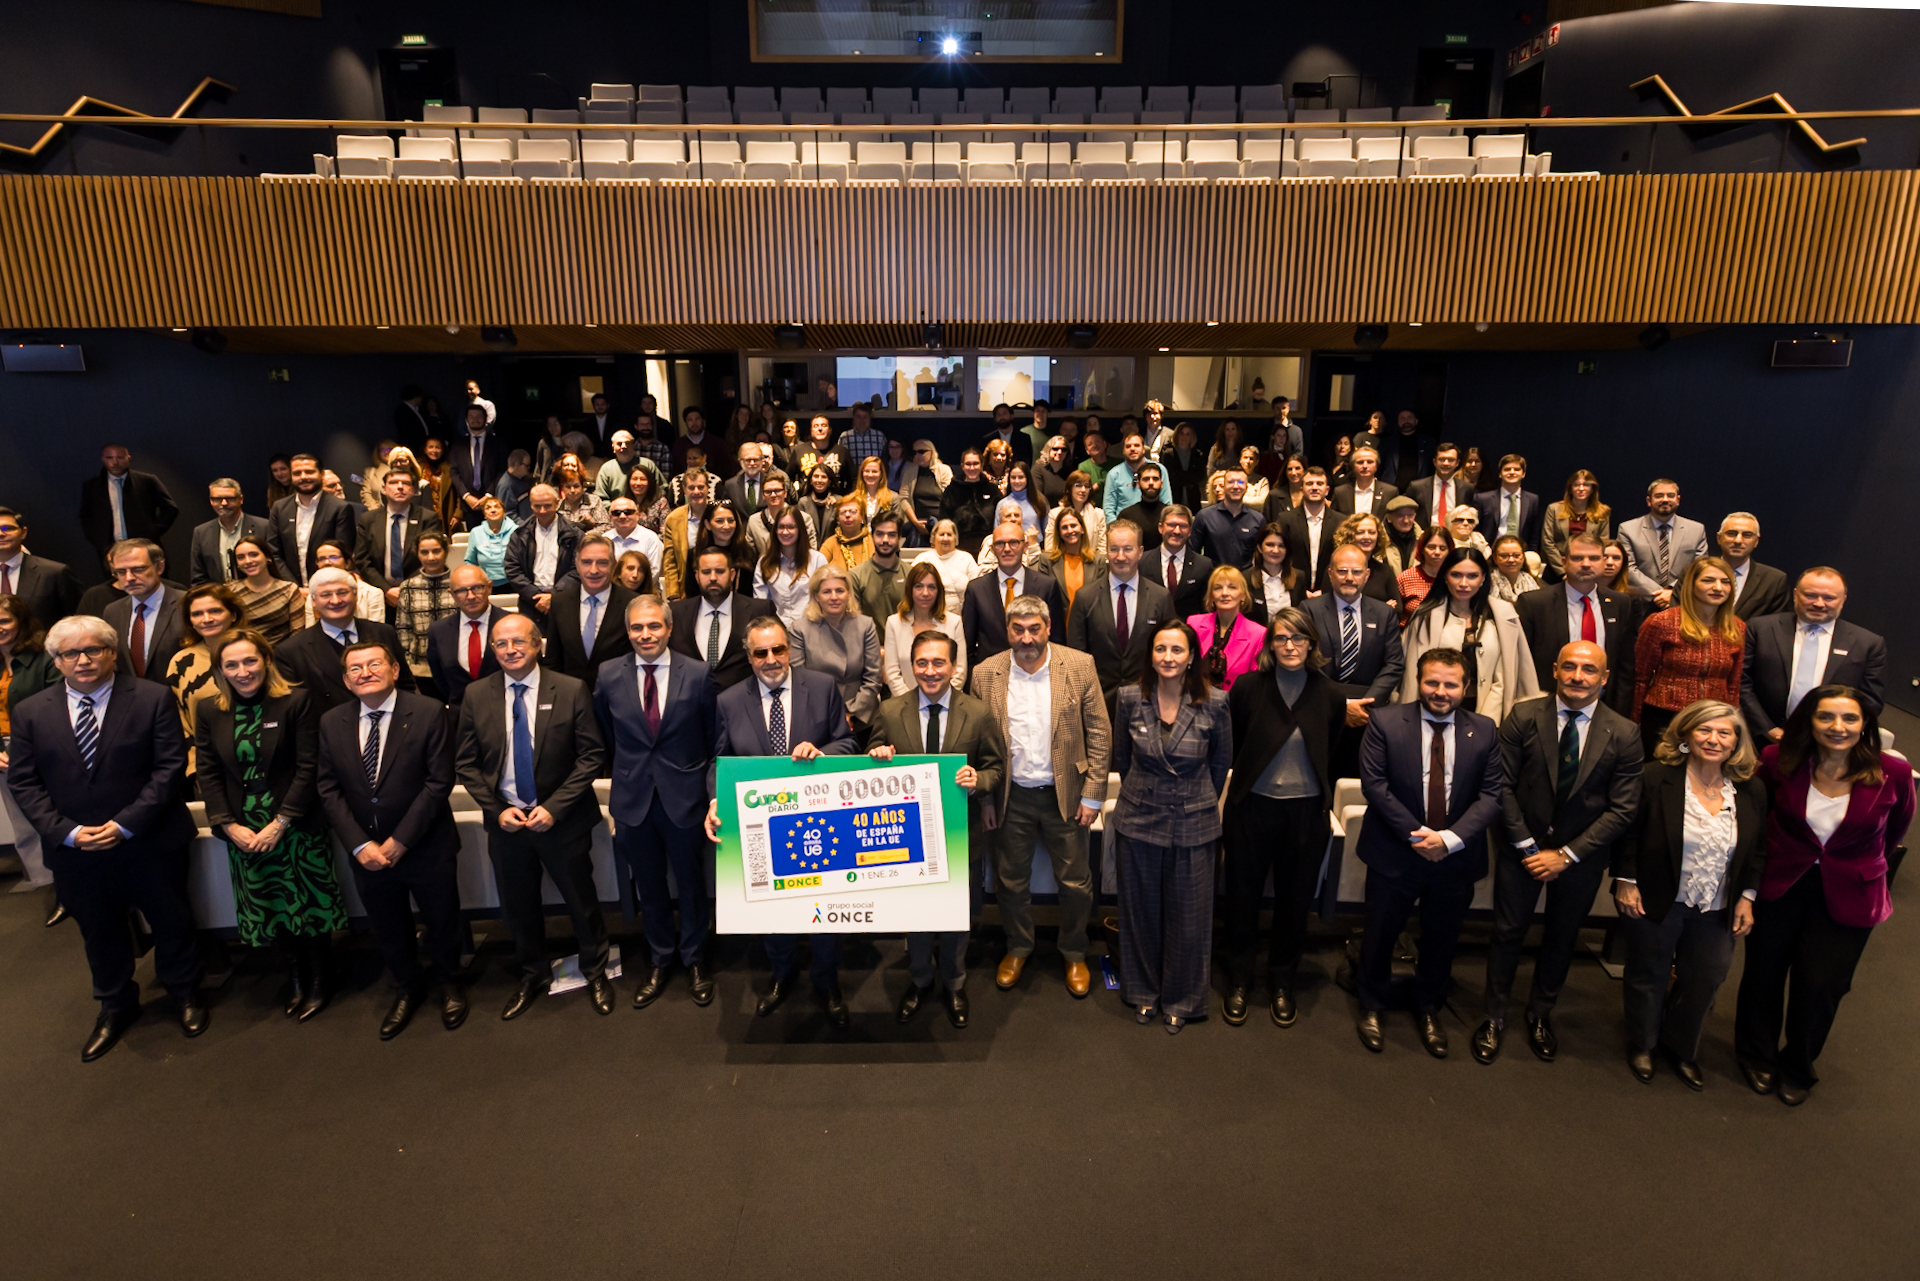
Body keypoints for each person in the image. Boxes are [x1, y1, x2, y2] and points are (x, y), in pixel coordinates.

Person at [6, 615, 204, 1060]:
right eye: (70, 653)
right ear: (56, 661)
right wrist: (69, 833)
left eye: (93, 649)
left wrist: (125, 824)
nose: (83, 660)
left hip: (148, 839)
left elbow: (169, 767)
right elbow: (24, 782)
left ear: (112, 653)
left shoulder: (152, 698)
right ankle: (115, 1005)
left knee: (171, 920)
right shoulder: (31, 712)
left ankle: (184, 992)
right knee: (99, 931)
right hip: (77, 851)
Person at [1736, 686, 1914, 1105]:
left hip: (1851, 891)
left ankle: (1798, 1065)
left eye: (1850, 718)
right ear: (1809, 722)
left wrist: (1860, 863)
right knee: (1763, 973)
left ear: (1865, 725)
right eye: (1826, 717)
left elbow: (1896, 830)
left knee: (1821, 985)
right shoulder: (1777, 760)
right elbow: (1758, 815)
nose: (1838, 727)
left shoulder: (1893, 771)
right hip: (1781, 882)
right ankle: (1757, 1054)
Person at [1475, 641, 1644, 1065]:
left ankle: (1540, 1014)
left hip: (1580, 857)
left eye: (1589, 670)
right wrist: (1529, 846)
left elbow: (1623, 809)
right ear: (1555, 670)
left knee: (1562, 937)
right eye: (1569, 667)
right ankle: (1493, 1016)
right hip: (1522, 848)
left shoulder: (1625, 732)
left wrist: (1566, 855)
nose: (1578, 677)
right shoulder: (1524, 716)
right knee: (1507, 932)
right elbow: (1501, 786)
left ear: (1604, 678)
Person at [455, 612, 615, 1021]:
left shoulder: (571, 688)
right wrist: (497, 810)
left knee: (581, 902)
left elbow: (591, 755)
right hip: (507, 823)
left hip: (562, 819)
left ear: (538, 644)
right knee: (519, 907)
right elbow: (466, 763)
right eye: (501, 643)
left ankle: (596, 971)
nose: (510, 650)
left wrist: (554, 807)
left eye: (519, 641)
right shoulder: (476, 694)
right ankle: (532, 974)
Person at [703, 614, 858, 1025]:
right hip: (761, 826)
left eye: (778, 650)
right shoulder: (728, 701)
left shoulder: (822, 687)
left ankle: (826, 981)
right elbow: (720, 761)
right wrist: (716, 799)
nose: (771, 659)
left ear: (790, 650)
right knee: (773, 911)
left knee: (824, 910)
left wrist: (823, 754)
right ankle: (781, 974)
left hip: (819, 822)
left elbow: (847, 742)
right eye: (761, 653)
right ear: (748, 657)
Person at [1353, 648, 1504, 1057]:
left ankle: (1428, 1006)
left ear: (1465, 688)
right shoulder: (1385, 721)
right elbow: (1374, 785)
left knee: (1441, 939)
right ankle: (1372, 1003)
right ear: (1418, 682)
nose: (1440, 691)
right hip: (1395, 851)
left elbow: (1492, 795)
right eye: (1432, 682)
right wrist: (1419, 836)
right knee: (1380, 934)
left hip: (1455, 857)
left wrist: (1449, 840)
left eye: (1450, 684)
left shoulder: (1485, 730)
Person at [1612, 699, 1768, 1088]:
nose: (1714, 739)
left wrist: (1747, 896)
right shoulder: (1654, 777)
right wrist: (1626, 881)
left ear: (1736, 741)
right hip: (1656, 897)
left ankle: (1680, 1047)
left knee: (1706, 977)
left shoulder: (1751, 790)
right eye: (1704, 729)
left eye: (1724, 732)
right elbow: (1628, 833)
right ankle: (1643, 1044)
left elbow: (1758, 849)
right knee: (1648, 972)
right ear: (1686, 734)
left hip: (1718, 905)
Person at [316, 638, 462, 1038]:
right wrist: (359, 844)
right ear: (346, 680)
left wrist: (401, 840)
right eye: (355, 669)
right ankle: (405, 988)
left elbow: (439, 781)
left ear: (395, 670)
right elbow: (327, 788)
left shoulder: (429, 712)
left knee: (442, 920)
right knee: (388, 926)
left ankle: (450, 984)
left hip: (425, 844)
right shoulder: (331, 722)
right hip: (367, 852)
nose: (365, 673)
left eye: (374, 664)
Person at [196, 629, 343, 1021]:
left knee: (307, 905)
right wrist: (227, 824)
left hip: (294, 821)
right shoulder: (209, 710)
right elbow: (208, 772)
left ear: (266, 660)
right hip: (243, 827)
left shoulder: (296, 700)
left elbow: (309, 766)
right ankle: (294, 976)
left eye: (250, 660)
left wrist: (281, 822)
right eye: (231, 664)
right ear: (220, 669)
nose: (243, 671)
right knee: (270, 906)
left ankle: (320, 979)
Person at [971, 595, 1111, 999]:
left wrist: (1093, 795)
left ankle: (1074, 951)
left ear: (1048, 628)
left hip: (1065, 795)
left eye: (1035, 629)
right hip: (1010, 796)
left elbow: (1099, 732)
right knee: (1010, 881)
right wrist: (985, 800)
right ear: (1007, 630)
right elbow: (979, 744)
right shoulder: (986, 673)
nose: (1027, 638)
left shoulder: (1079, 665)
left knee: (1076, 882)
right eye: (1018, 629)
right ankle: (1018, 947)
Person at [869, 629, 1005, 1028]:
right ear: (912, 666)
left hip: (959, 833)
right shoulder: (889, 711)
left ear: (954, 666)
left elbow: (996, 768)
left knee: (956, 916)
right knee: (916, 915)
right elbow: (867, 763)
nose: (930, 671)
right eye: (922, 663)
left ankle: (954, 982)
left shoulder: (977, 713)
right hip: (906, 839)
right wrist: (877, 756)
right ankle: (919, 979)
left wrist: (978, 781)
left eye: (939, 662)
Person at [1107, 619, 1232, 1033]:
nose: (1168, 657)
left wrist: (1192, 799)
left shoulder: (1215, 702)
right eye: (1160, 649)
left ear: (1192, 656)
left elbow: (1220, 766)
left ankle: (1182, 999)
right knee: (1139, 912)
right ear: (1151, 654)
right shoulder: (1129, 697)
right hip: (1138, 816)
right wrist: (1148, 793)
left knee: (1189, 917)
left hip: (1194, 820)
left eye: (1177, 650)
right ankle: (1143, 991)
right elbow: (1122, 759)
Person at [597, 595, 721, 1009]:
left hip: (684, 797)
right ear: (627, 631)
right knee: (649, 887)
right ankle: (660, 959)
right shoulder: (608, 674)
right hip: (633, 798)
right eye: (637, 627)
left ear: (669, 628)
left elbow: (712, 737)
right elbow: (607, 735)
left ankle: (695, 959)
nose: (645, 634)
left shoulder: (698, 674)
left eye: (654, 626)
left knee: (690, 884)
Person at [1221, 606, 1341, 1027]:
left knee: (1294, 903)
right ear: (1270, 644)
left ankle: (1281, 983)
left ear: (1311, 643)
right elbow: (1234, 744)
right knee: (1241, 899)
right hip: (1251, 809)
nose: (1290, 646)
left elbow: (1331, 750)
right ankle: (1238, 980)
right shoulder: (1247, 688)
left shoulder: (1330, 694)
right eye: (1281, 638)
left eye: (1298, 638)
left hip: (1306, 813)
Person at [1740, 567, 1886, 742]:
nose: (1819, 603)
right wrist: (1768, 730)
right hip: (1760, 739)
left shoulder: (1867, 643)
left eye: (1829, 598)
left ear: (1843, 600)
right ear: (1795, 594)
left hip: (1830, 743)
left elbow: (1870, 701)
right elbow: (1741, 683)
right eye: (1810, 595)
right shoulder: (1761, 629)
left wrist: (1831, 734)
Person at [1400, 546, 1539, 725]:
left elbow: (1509, 674)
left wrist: (1485, 721)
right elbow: (1411, 676)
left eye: (1472, 576)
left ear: (1483, 578)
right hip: (1434, 710)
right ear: (1445, 576)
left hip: (1491, 714)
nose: (1464, 583)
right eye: (1456, 575)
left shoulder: (1504, 615)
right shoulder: (1425, 616)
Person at [1303, 541, 1407, 774]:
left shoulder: (1384, 613)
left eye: (1356, 571)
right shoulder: (1310, 610)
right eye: (1342, 571)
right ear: (1330, 573)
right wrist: (1341, 705)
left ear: (1367, 575)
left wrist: (1364, 706)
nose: (1349, 577)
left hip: (1368, 714)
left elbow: (1394, 664)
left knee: (1359, 782)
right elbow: (1306, 661)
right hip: (1322, 711)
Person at [1513, 533, 1638, 715]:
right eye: (1578, 558)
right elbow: (1522, 664)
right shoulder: (1534, 603)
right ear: (1564, 562)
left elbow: (1625, 666)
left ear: (1603, 562)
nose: (1586, 564)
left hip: (1604, 708)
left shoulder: (1621, 603)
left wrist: (1619, 713)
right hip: (1547, 707)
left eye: (1594, 558)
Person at [1633, 555, 1744, 753]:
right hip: (1665, 717)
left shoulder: (1737, 628)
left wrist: (1733, 724)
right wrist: (1633, 724)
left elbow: (1733, 685)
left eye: (1725, 582)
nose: (1718, 587)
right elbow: (1639, 678)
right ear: (1691, 585)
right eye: (1708, 580)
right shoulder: (1662, 622)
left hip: (1713, 720)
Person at [1066, 520, 1173, 723]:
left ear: (1140, 552)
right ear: (1106, 551)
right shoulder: (1085, 598)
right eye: (1114, 549)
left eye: (1128, 549)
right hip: (1097, 706)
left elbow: (1169, 652)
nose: (1120, 556)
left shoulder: (1160, 598)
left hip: (1149, 703)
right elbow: (1076, 658)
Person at [274, 568, 415, 717]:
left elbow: (405, 685)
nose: (336, 600)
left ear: (355, 596)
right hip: (328, 729)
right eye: (326, 595)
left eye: (342, 592)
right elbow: (294, 710)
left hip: (391, 722)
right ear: (313, 602)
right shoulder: (291, 651)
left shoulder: (384, 633)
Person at [0, 596, 61, 900]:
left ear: (21, 622)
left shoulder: (44, 656)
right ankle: (48, 891)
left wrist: (21, 749)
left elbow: (57, 706)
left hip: (44, 748)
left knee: (55, 819)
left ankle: (69, 888)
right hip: (3, 753)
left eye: (4, 621)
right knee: (24, 828)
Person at [790, 563, 884, 741]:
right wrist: (834, 718)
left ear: (848, 593)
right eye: (826, 592)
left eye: (840, 591)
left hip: (861, 720)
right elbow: (800, 681)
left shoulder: (865, 625)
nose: (834, 597)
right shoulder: (799, 629)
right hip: (817, 719)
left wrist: (851, 714)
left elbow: (873, 679)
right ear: (816, 596)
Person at [163, 581, 243, 779]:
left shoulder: (257, 653)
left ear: (233, 615)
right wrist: (194, 766)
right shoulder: (181, 663)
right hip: (207, 767)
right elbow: (178, 721)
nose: (206, 619)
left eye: (215, 611)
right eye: (197, 614)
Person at [963, 520, 1067, 670]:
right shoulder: (976, 589)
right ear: (992, 549)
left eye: (1013, 542)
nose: (1007, 549)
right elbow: (968, 646)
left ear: (1025, 546)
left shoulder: (1047, 586)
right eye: (1000, 543)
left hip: (1037, 673)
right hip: (990, 676)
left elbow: (1057, 641)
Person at [669, 546, 776, 690]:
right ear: (697, 576)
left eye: (719, 571)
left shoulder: (759, 610)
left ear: (732, 574)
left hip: (742, 698)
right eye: (706, 572)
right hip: (690, 699)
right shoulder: (676, 613)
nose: (713, 578)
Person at [354, 467, 444, 607]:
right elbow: (362, 559)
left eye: (406, 483)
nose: (400, 487)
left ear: (413, 490)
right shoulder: (368, 520)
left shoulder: (428, 518)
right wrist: (386, 590)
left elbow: (431, 558)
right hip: (379, 594)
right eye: (394, 482)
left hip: (419, 592)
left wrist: (406, 588)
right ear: (384, 489)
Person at [78, 443, 179, 565]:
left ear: (128, 457)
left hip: (144, 546)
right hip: (110, 549)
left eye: (120, 457)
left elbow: (170, 508)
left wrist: (151, 532)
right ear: (103, 459)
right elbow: (86, 516)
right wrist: (99, 541)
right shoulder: (92, 486)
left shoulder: (147, 481)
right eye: (109, 458)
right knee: (115, 576)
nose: (115, 462)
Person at [101, 539, 186, 684]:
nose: (129, 578)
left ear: (159, 567)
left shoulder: (186, 604)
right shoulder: (112, 611)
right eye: (121, 572)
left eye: (138, 569)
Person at [269, 454, 358, 587]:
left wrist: (317, 586)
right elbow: (274, 552)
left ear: (321, 474)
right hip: (290, 588)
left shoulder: (340, 508)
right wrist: (293, 587)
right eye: (297, 473)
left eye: (309, 472)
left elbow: (341, 554)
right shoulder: (279, 508)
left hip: (328, 586)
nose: (303, 477)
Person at [1618, 478, 1708, 608]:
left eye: (1670, 495)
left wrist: (1674, 592)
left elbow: (1698, 567)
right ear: (1649, 501)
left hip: (1682, 603)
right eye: (1659, 496)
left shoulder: (1696, 530)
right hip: (1641, 603)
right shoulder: (1628, 529)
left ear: (1678, 500)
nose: (1665, 499)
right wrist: (1660, 594)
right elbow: (1627, 567)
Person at [427, 564, 506, 709]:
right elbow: (440, 678)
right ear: (452, 594)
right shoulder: (439, 631)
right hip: (460, 714)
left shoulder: (513, 624)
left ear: (489, 588)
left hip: (505, 710)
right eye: (462, 591)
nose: (471, 596)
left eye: (477, 588)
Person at [884, 560, 966, 696]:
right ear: (910, 590)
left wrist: (940, 701)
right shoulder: (894, 623)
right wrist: (911, 704)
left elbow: (959, 672)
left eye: (931, 587)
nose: (925, 593)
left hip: (947, 703)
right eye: (919, 586)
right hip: (904, 703)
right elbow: (893, 674)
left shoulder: (954, 622)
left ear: (938, 591)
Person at [388, 530, 457, 683]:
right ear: (417, 554)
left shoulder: (458, 583)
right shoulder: (408, 586)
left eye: (436, 551)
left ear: (446, 552)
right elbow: (403, 628)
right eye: (424, 552)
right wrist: (407, 662)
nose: (431, 557)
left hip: (456, 663)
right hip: (420, 666)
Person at [503, 484, 581, 617]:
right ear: (531, 505)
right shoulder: (520, 534)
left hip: (565, 602)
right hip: (531, 603)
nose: (542, 511)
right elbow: (512, 568)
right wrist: (535, 596)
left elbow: (578, 569)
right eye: (537, 506)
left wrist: (554, 596)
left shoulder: (575, 534)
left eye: (547, 506)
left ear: (557, 503)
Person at [189, 477, 283, 587]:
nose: (223, 503)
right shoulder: (201, 533)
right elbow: (198, 578)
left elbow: (277, 564)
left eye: (230, 498)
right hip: (219, 595)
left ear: (241, 499)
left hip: (261, 592)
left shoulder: (263, 527)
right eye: (217, 499)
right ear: (211, 501)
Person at [0, 507, 82, 626]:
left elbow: (78, 620)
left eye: (7, 528)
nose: (1, 534)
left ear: (23, 532)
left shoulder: (54, 573)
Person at [752, 506, 828, 629]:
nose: (785, 532)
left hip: (812, 628)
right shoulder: (765, 562)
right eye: (781, 527)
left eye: (791, 527)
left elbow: (824, 600)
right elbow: (761, 603)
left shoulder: (817, 560)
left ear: (800, 529)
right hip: (777, 630)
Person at [1190, 565, 1263, 691]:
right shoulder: (1194, 624)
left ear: (1243, 595)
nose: (1224, 593)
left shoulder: (1258, 634)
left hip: (1236, 701)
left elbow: (1255, 683)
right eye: (1218, 588)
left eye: (1232, 587)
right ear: (1211, 596)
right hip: (1196, 698)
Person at [1716, 512, 1790, 622]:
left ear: (1756, 541)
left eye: (1747, 535)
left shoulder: (1774, 580)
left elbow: (1775, 625)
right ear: (1719, 538)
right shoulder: (1697, 573)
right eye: (1731, 533)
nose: (1738, 540)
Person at [1540, 469, 1612, 581]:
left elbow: (1603, 543)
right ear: (1570, 488)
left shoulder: (1602, 512)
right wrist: (1563, 571)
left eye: (1586, 485)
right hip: (1557, 569)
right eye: (1576, 485)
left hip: (1587, 568)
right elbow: (1547, 542)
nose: (1581, 489)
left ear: (1592, 489)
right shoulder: (1554, 509)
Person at [229, 537, 303, 644]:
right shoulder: (230, 591)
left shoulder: (289, 589)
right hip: (244, 651)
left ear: (268, 557)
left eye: (254, 555)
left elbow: (298, 633)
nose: (248, 561)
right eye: (241, 557)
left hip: (283, 651)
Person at [1275, 466, 1338, 591]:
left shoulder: (1340, 522)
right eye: (1309, 484)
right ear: (1301, 489)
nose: (1314, 487)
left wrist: (1325, 589)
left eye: (1319, 483)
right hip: (1293, 589)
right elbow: (1279, 557)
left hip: (1329, 592)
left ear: (1327, 490)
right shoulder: (1285, 519)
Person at [1192, 469, 1266, 572]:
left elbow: (1262, 555)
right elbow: (1193, 553)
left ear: (1246, 487)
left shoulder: (1258, 519)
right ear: (1224, 486)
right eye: (1231, 482)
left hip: (1245, 579)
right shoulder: (1204, 516)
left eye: (1241, 482)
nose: (1235, 486)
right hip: (1212, 577)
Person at [1326, 512, 1397, 611]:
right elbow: (1327, 604)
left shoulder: (1385, 571)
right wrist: (1381, 608)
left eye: (1371, 532)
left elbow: (1397, 608)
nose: (1367, 537)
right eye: (1360, 532)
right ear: (1350, 536)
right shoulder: (1337, 568)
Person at [302, 541, 385, 626]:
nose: (327, 562)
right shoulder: (313, 596)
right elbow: (311, 630)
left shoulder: (372, 593)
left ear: (347, 563)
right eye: (321, 559)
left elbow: (375, 630)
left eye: (333, 557)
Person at [1473, 454, 1542, 553]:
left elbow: (1534, 533)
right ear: (1500, 474)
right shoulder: (1483, 499)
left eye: (1517, 469)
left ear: (1523, 474)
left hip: (1520, 554)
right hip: (1489, 552)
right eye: (1507, 469)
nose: (1512, 472)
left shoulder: (1532, 500)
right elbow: (1476, 531)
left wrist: (1531, 553)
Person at [847, 511, 905, 624]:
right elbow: (856, 621)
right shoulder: (856, 576)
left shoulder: (911, 573)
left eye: (892, 535)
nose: (885, 540)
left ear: (899, 538)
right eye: (880, 534)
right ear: (871, 536)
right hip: (868, 636)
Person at [911, 519, 978, 618]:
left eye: (949, 535)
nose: (945, 538)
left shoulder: (966, 558)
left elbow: (977, 589)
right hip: (928, 618)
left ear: (955, 538)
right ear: (934, 538)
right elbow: (911, 588)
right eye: (942, 534)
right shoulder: (923, 558)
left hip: (963, 617)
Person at [939, 448, 1000, 552]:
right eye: (968, 464)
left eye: (975, 463)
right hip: (959, 545)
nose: (972, 468)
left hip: (989, 545)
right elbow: (944, 519)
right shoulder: (951, 490)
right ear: (962, 466)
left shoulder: (992, 490)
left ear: (981, 465)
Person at [1044, 508, 1103, 612]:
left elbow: (1101, 599)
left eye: (1073, 525)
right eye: (1064, 527)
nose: (1070, 530)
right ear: (1059, 533)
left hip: (1088, 620)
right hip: (1057, 620)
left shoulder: (1098, 561)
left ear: (1082, 529)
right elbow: (1043, 598)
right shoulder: (1046, 561)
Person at [1405, 442, 1471, 532]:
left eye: (1451, 460)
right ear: (1434, 462)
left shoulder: (1466, 489)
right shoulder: (1417, 487)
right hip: (1424, 535)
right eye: (1442, 459)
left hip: (1454, 536)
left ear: (1457, 463)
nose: (1446, 463)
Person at [1046, 469, 1109, 560]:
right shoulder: (1055, 514)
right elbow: (1050, 548)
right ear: (1069, 489)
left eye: (1087, 486)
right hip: (1062, 563)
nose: (1083, 490)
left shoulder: (1098, 514)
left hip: (1090, 562)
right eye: (1078, 485)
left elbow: (1102, 550)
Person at [1396, 527, 1454, 621]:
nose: (1437, 552)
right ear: (1422, 549)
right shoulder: (1406, 578)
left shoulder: (1455, 578)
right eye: (1431, 547)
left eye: (1442, 548)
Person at [1331, 445, 1399, 517]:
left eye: (1370, 462)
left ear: (1376, 466)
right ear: (1353, 466)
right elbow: (1333, 519)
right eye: (1360, 462)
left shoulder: (1390, 492)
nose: (1365, 466)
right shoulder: (1340, 492)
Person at [819, 495, 877, 571]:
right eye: (843, 512)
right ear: (838, 518)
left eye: (853, 512)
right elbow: (819, 573)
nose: (847, 515)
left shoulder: (874, 541)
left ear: (862, 516)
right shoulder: (830, 544)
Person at [1488, 534, 1541, 604]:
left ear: (1523, 557)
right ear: (1495, 558)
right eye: (1504, 556)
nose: (1511, 560)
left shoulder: (1532, 582)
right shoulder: (1487, 583)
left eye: (1516, 555)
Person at [622, 458, 670, 534]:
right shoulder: (622, 503)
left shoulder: (661, 503)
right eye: (634, 479)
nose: (638, 483)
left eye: (642, 479)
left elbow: (665, 532)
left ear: (650, 482)